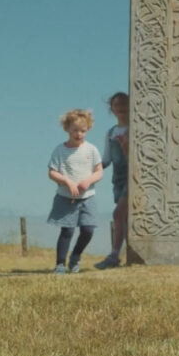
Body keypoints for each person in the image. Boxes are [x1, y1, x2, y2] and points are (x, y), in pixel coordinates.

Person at [47, 109, 103, 274]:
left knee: (88, 229)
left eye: (83, 131)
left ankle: (76, 256)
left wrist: (89, 180)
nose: (79, 134)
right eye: (75, 131)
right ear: (67, 129)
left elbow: (99, 171)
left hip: (88, 197)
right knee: (67, 230)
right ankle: (60, 264)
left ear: (88, 130)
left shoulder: (91, 150)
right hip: (66, 198)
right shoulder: (60, 150)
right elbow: (52, 172)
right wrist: (67, 181)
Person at [95, 92, 129, 269]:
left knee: (118, 213)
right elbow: (106, 159)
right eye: (117, 105)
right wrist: (90, 172)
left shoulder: (136, 129)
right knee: (125, 218)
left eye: (124, 103)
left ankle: (114, 254)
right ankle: (127, 254)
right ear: (112, 109)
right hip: (119, 179)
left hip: (133, 178)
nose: (121, 107)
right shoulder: (111, 133)